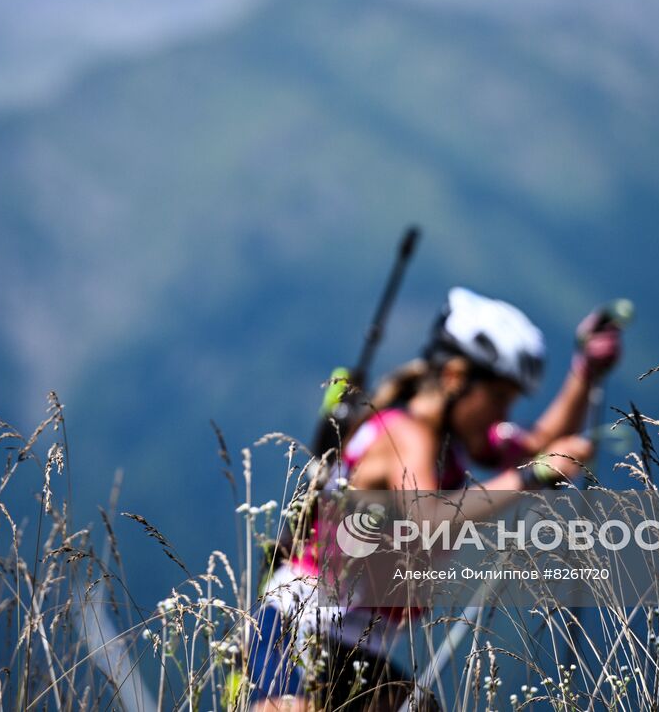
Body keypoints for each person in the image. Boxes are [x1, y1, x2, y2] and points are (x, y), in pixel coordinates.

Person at [249, 287, 624, 710]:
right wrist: (532, 477)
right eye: (499, 397)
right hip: (300, 628)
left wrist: (585, 373)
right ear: (454, 380)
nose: (503, 414)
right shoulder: (405, 435)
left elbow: (539, 444)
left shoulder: (451, 444)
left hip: (352, 647)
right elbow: (426, 515)